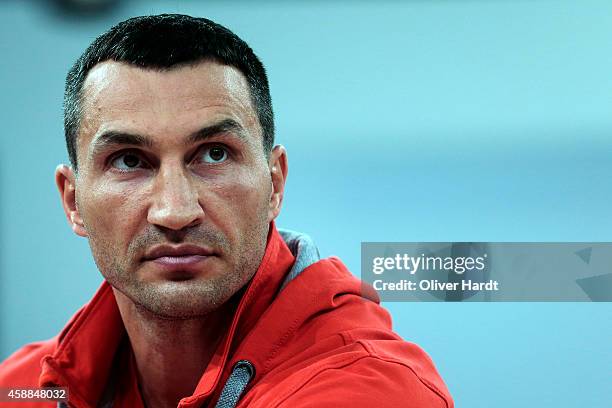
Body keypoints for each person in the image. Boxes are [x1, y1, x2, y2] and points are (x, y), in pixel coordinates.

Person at [0, 14, 453, 408]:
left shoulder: (367, 388)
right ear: (72, 201)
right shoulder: (19, 390)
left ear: (275, 183)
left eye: (213, 154)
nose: (175, 212)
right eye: (129, 160)